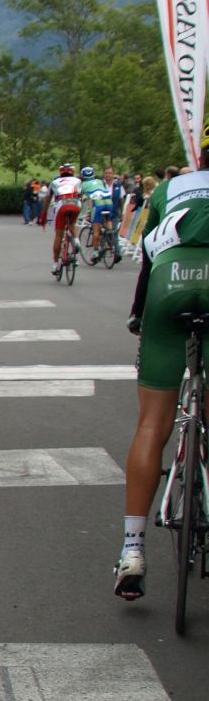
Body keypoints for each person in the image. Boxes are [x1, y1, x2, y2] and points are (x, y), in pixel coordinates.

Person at [115, 161, 209, 598]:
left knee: (152, 423)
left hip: (168, 284)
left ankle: (132, 549)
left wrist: (139, 313)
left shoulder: (169, 188)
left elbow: (148, 258)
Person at [49, 162, 83, 276]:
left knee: (59, 235)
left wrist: (43, 215)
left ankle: (55, 264)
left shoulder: (54, 182)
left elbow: (48, 199)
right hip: (76, 204)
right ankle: (76, 241)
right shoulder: (78, 181)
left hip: (62, 204)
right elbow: (81, 195)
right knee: (72, 223)